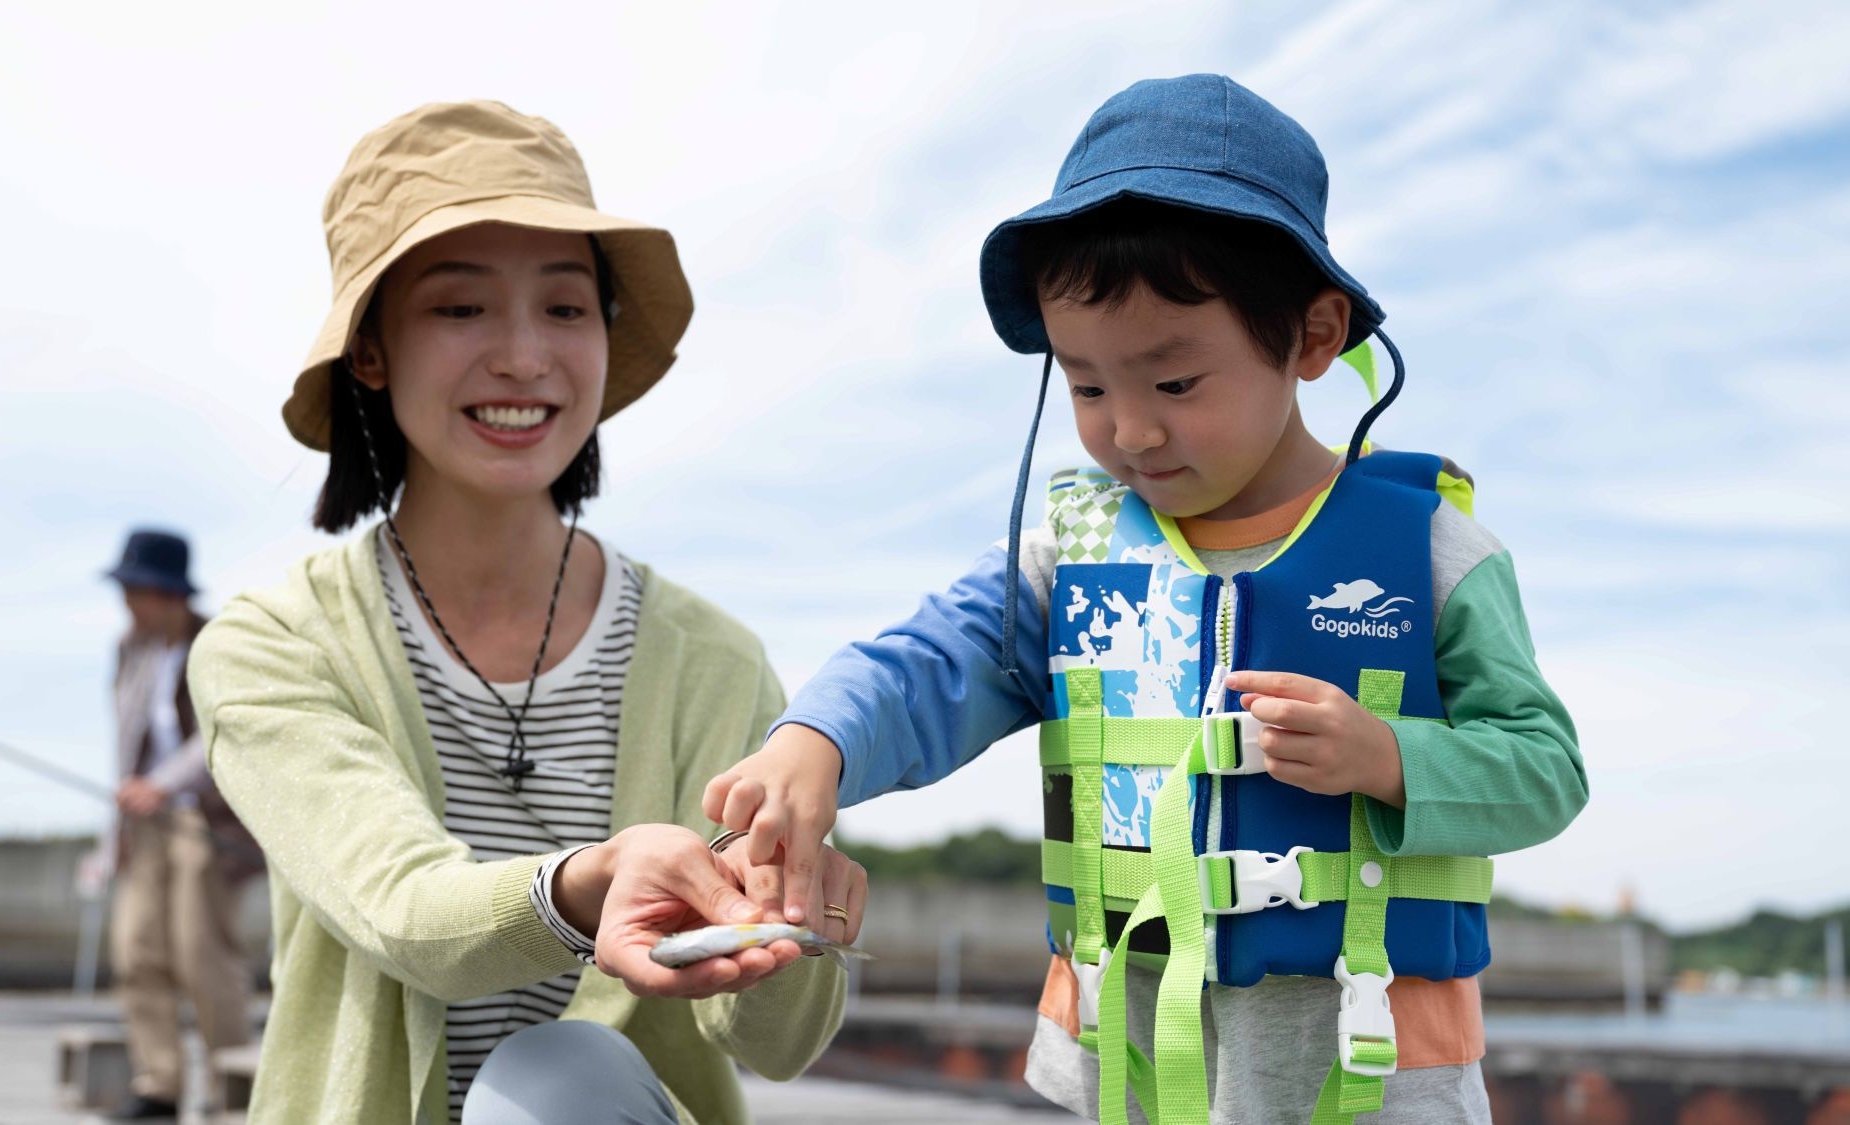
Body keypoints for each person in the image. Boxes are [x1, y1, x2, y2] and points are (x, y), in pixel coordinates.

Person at [704, 75, 1587, 1124]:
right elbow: (928, 660)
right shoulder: (1067, 559)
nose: (1128, 431)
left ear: (1312, 336)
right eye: (1085, 386)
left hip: (1373, 1069)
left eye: (1172, 385)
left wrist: (1389, 758)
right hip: (1123, 1064)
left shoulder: (1432, 551)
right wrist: (818, 740)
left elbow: (1546, 767)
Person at [185, 101, 858, 1125]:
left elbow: (779, 1045)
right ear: (369, 351)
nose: (522, 357)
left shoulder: (712, 658)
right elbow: (401, 907)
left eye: (564, 308)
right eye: (461, 310)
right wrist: (594, 882)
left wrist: (790, 927)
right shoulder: (272, 647)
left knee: (566, 1080)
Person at [102, 528, 262, 1121]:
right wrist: (110, 841)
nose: (126, 603)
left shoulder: (217, 643)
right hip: (145, 828)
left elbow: (219, 733)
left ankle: (231, 1088)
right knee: (135, 949)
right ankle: (158, 1084)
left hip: (205, 823)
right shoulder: (127, 651)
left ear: (165, 593)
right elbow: (123, 748)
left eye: (134, 590)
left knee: (203, 953)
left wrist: (163, 785)